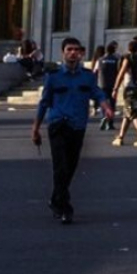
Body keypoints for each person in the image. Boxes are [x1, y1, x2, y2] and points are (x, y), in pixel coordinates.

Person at [30, 37, 112, 225]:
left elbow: (97, 93)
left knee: (71, 167)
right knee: (61, 166)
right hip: (58, 124)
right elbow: (44, 103)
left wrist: (106, 107)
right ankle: (65, 207)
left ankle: (55, 198)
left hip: (78, 126)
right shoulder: (54, 76)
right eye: (69, 49)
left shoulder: (87, 76)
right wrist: (35, 128)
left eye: (76, 49)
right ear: (63, 52)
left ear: (81, 53)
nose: (73, 53)